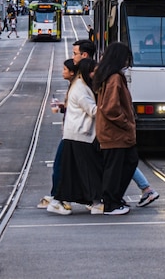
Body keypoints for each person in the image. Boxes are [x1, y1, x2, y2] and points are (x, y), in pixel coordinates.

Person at [48, 58, 102, 215]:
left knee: (74, 170)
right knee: (88, 170)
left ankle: (65, 200)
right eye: (93, 71)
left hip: (76, 134)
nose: (94, 74)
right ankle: (93, 202)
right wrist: (110, 108)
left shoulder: (79, 85)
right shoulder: (81, 88)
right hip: (80, 134)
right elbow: (92, 110)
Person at [93, 42, 139, 215]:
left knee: (128, 162)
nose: (127, 62)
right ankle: (111, 203)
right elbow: (110, 107)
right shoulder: (114, 78)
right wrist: (126, 122)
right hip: (115, 132)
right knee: (116, 167)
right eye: (126, 58)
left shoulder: (108, 76)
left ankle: (115, 198)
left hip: (114, 132)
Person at [38, 58, 80, 210]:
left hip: (74, 133)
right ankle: (59, 195)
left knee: (60, 165)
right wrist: (63, 107)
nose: (62, 72)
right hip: (72, 132)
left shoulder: (77, 87)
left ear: (72, 72)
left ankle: (58, 196)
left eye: (64, 69)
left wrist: (65, 108)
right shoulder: (74, 86)